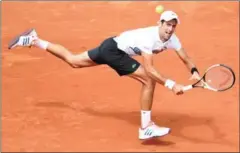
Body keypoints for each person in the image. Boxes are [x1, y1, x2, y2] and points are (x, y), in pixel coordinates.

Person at [8, 10, 201, 140]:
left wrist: (194, 72)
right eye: (167, 25)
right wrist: (171, 84)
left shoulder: (173, 39)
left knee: (73, 61)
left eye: (173, 26)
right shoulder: (149, 38)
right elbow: (150, 68)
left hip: (110, 44)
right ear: (160, 23)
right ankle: (145, 127)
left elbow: (185, 57)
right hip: (114, 51)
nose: (170, 29)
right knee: (149, 79)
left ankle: (34, 39)